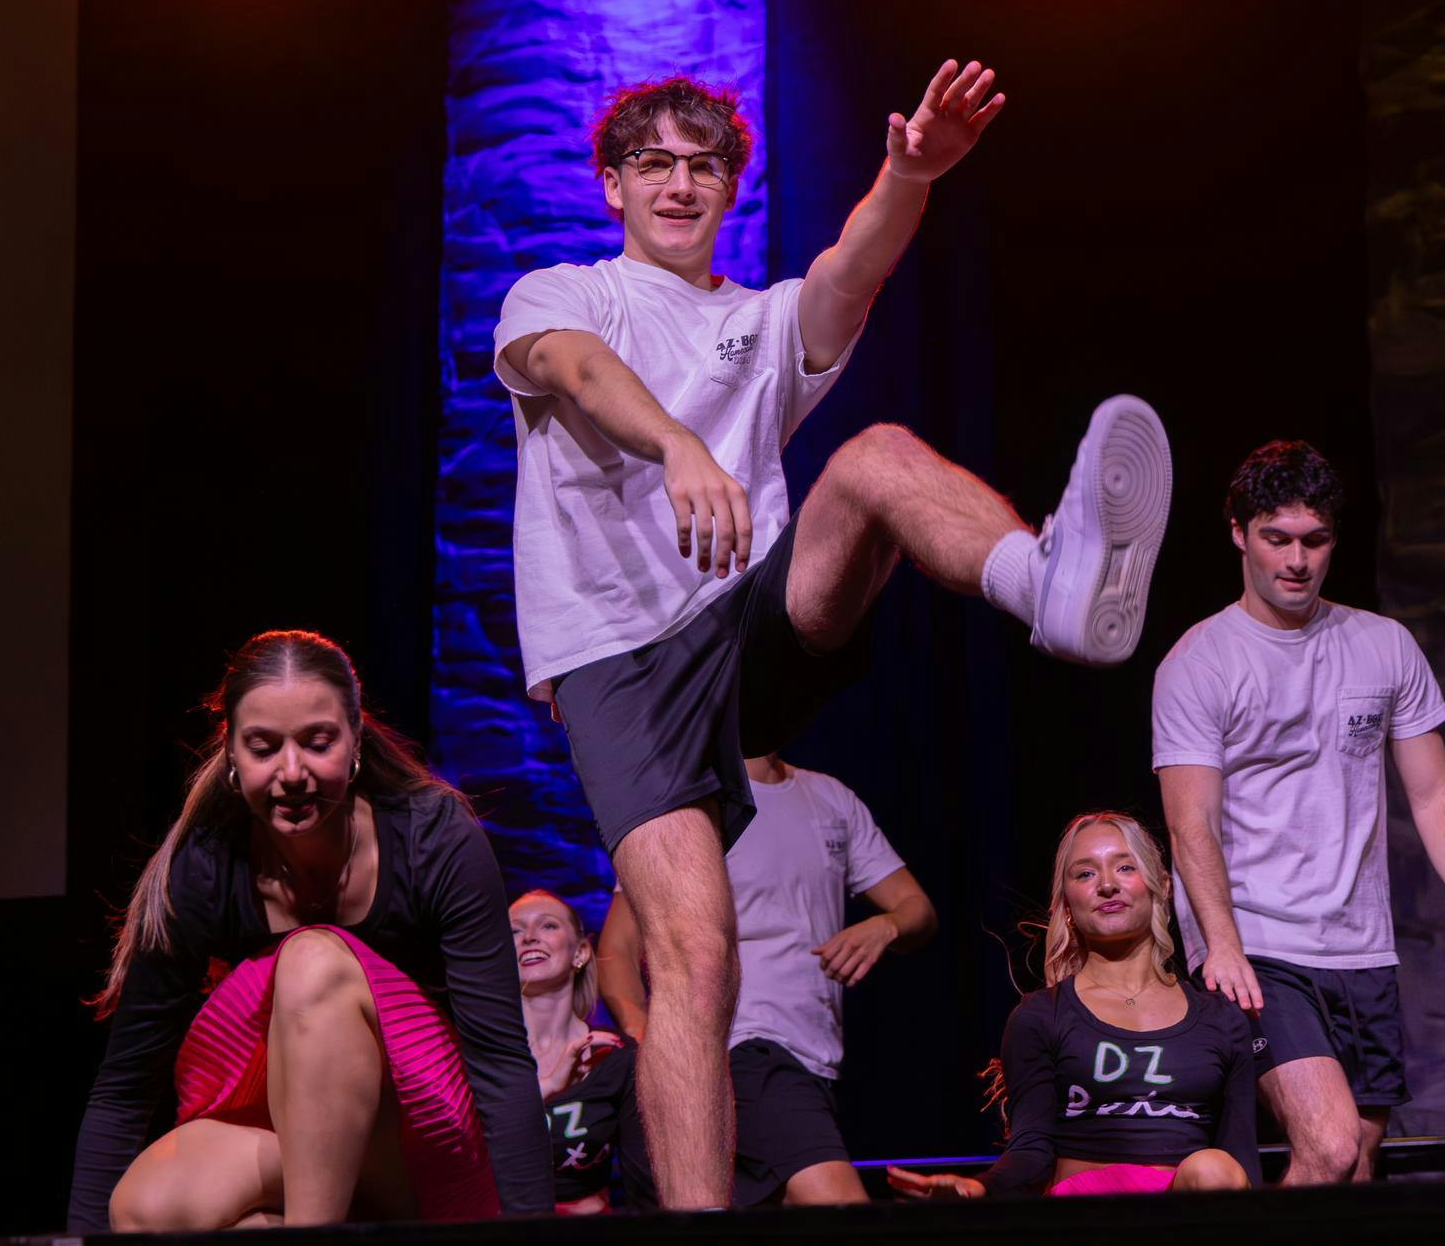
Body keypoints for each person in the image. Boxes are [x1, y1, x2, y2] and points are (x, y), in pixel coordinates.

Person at [493, 65, 1172, 1207]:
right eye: (651, 162)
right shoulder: (563, 294)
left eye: (702, 165)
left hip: (742, 618)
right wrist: (677, 446)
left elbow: (851, 273)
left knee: (870, 461)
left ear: (728, 190)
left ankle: (1041, 587)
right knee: (696, 957)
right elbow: (571, 369)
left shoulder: (757, 323)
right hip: (620, 661)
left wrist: (907, 173)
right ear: (611, 184)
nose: (677, 182)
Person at [67, 630, 551, 1231]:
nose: (291, 772)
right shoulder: (204, 867)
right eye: (263, 748)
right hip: (289, 1132)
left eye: (317, 743)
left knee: (312, 961)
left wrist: (535, 1235)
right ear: (232, 758)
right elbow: (125, 1087)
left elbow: (500, 1061)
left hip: (425, 1148)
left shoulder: (434, 838)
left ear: (354, 742)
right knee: (145, 1207)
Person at [1154, 441, 1445, 1184]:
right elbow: (1191, 822)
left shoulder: (1383, 646)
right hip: (1259, 942)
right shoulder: (1201, 660)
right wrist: (1221, 944)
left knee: (1358, 1165)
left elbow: (1434, 791)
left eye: (1314, 540)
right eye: (1276, 537)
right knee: (1331, 1145)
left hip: (1362, 946)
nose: (1297, 559)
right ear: (1238, 532)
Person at [597, 753, 937, 1207]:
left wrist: (886, 925)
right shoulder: (687, 803)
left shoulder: (829, 797)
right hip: (745, 1046)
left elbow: (917, 908)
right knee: (842, 1207)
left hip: (812, 1056)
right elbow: (615, 948)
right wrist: (647, 1034)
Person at [886, 812, 1258, 1200]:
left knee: (1214, 1168)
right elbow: (1031, 1150)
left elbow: (1240, 1155)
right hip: (1085, 1212)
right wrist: (979, 1187)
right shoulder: (1041, 1016)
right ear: (1066, 902)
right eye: (1085, 874)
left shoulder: (1221, 1018)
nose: (1108, 885)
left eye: (1125, 867)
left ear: (1161, 886)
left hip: (1188, 1214)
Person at [510, 889, 656, 1214]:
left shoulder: (615, 1058)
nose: (530, 937)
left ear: (580, 952)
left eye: (547, 926)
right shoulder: (481, 1055)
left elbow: (644, 1185)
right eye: (515, 931)